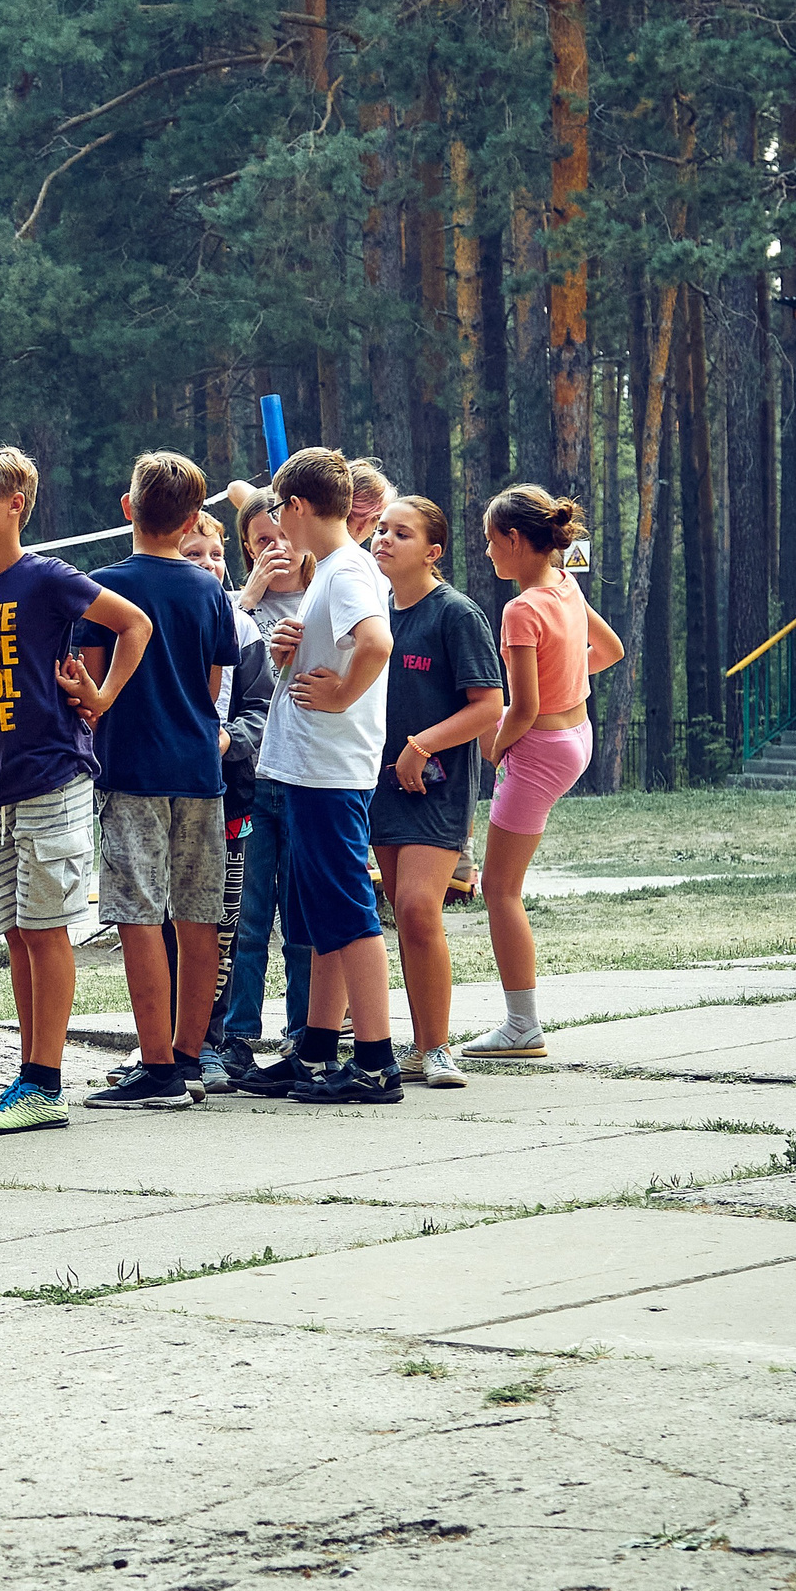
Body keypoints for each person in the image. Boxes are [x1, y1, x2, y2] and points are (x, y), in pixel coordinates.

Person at [0, 446, 152, 1135]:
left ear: (14, 505)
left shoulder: (47, 578)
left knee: (45, 928)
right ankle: (29, 1077)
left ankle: (44, 1082)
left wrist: (103, 696)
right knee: (17, 936)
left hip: (51, 775)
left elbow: (133, 624)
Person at [75, 451, 240, 1109]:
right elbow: (211, 689)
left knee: (137, 914)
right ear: (194, 518)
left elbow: (90, 688)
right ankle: (192, 1059)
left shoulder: (102, 588)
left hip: (131, 767)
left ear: (127, 508)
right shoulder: (210, 591)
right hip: (199, 769)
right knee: (199, 913)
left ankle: (157, 1065)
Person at [253, 446, 399, 1105]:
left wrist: (340, 695)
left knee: (348, 913)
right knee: (323, 914)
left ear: (298, 507)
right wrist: (294, 648)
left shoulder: (345, 572)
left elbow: (376, 644)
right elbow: (344, 645)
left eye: (281, 510)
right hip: (314, 767)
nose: (279, 524)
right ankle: (315, 1050)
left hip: (331, 769)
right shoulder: (335, 572)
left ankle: (375, 1061)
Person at [462, 484, 625, 1060]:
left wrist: (494, 751)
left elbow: (524, 708)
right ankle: (519, 1022)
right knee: (503, 886)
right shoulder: (566, 585)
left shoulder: (521, 609)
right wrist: (560, 680)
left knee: (500, 889)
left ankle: (521, 1025)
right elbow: (610, 651)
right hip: (575, 736)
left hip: (539, 749)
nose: (487, 553)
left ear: (514, 539)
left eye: (490, 542)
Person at [367, 498, 502, 1088]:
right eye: (380, 530)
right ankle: (419, 1048)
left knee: (421, 908)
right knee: (402, 913)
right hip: (377, 786)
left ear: (434, 551)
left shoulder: (455, 614)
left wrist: (421, 746)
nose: (384, 540)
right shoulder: (373, 613)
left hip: (436, 789)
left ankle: (437, 1047)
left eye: (401, 532)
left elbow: (488, 707)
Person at [221, 494, 314, 1066]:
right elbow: (219, 655)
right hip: (252, 779)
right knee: (250, 917)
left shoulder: (329, 590)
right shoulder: (237, 608)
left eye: (282, 533)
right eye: (260, 540)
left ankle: (306, 1033)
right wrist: (251, 594)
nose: (275, 548)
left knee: (302, 916)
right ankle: (238, 1035)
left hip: (308, 773)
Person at [184, 513, 273, 1094]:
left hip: (229, 806)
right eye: (195, 555)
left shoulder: (241, 629)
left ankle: (212, 1044)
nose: (210, 566)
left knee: (223, 929)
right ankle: (165, 1047)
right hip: (161, 798)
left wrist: (229, 740)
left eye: (216, 556)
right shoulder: (143, 621)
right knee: (164, 926)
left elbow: (265, 710)